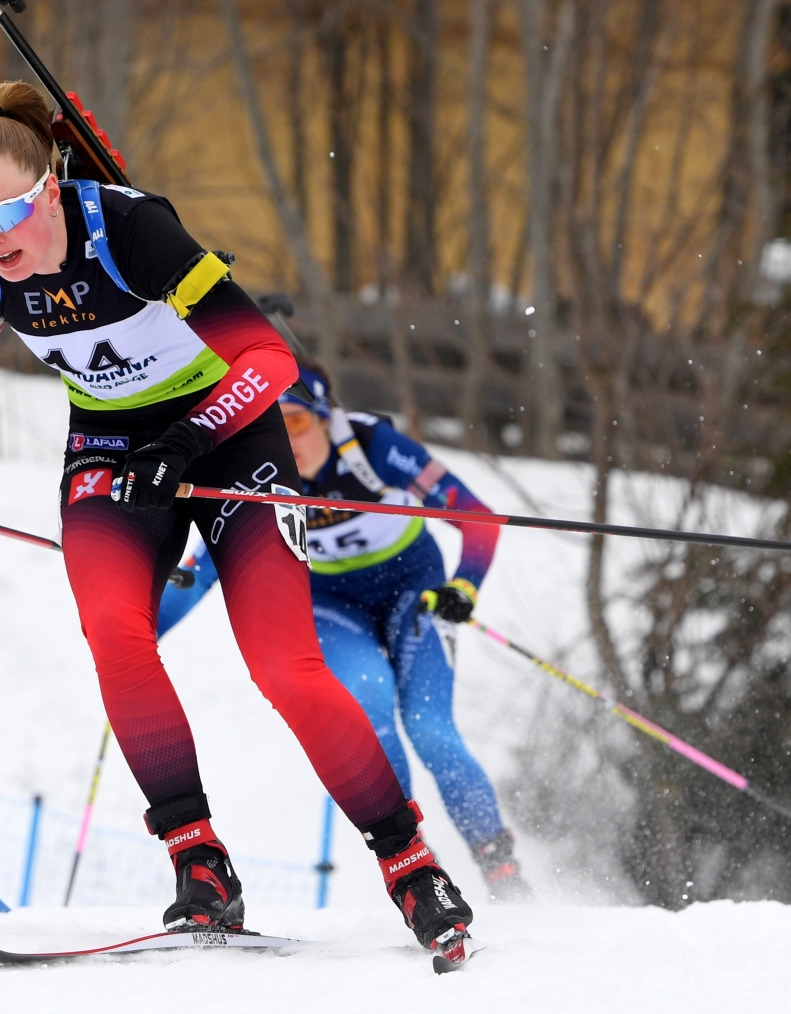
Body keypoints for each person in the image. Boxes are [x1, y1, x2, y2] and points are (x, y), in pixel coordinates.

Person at [0, 81, 474, 952]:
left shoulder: (129, 230)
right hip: (108, 445)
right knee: (113, 630)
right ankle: (197, 861)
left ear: (48, 190)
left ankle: (409, 864)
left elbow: (268, 358)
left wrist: (186, 437)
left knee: (285, 666)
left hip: (232, 432)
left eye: (6, 215)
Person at [157, 365, 528, 900]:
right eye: (274, 427)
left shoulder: (376, 448)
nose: (289, 440)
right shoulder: (256, 472)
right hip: (334, 607)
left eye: (300, 422)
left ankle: (504, 873)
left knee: (429, 729)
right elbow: (200, 575)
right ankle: (420, 869)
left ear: (329, 419)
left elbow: (476, 517)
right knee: (370, 712)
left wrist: (464, 585)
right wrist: (147, 631)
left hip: (412, 590)